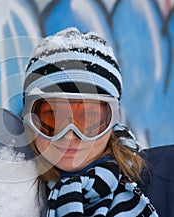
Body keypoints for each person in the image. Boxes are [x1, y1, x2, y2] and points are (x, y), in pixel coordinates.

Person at [22, 27, 158, 216]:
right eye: (52, 117)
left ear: (112, 121)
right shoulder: (2, 193)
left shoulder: (163, 186)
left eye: (89, 118)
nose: (69, 135)